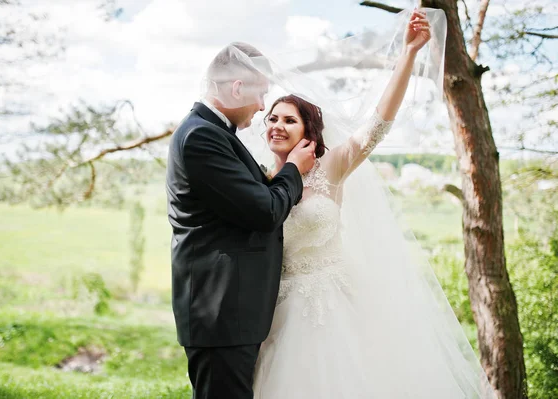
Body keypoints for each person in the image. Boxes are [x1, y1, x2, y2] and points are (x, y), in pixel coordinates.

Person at [252, 9, 497, 398]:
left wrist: (409, 55)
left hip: (333, 310)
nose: (277, 125)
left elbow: (378, 123)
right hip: (276, 312)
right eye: (272, 118)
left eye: (289, 120)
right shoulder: (260, 179)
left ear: (309, 131)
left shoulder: (330, 168)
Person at [165, 42, 316, 399]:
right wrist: (293, 169)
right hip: (221, 313)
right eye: (261, 94)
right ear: (237, 89)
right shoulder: (202, 136)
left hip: (231, 313)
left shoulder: (212, 133)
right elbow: (264, 212)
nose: (263, 106)